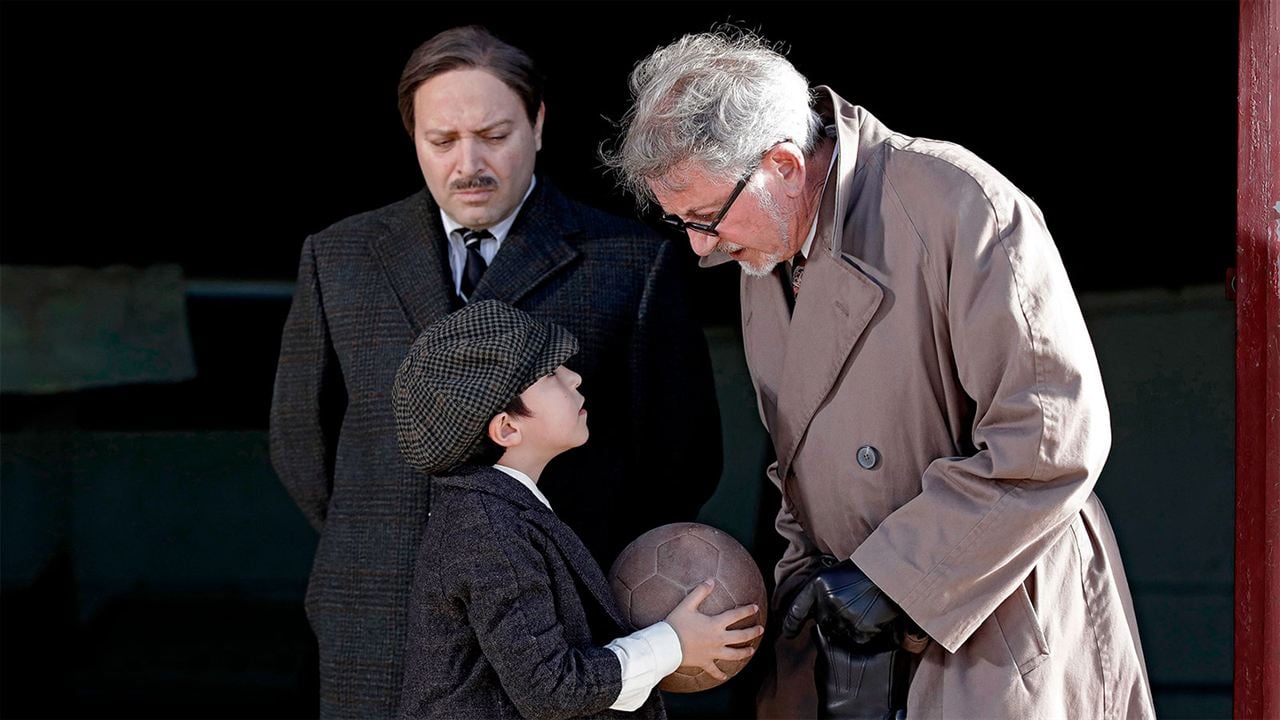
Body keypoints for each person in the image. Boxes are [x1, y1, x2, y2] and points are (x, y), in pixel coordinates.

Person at [604, 29, 1155, 719]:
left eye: (705, 218)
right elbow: (798, 461)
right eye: (679, 220)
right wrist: (806, 588)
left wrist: (890, 580)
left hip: (993, 612)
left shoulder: (958, 202)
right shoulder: (762, 243)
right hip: (853, 628)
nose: (698, 246)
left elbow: (1050, 437)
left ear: (782, 164)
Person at [269, 26, 721, 718]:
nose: (468, 164)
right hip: (374, 614)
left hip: (563, 636)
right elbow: (303, 445)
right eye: (442, 140)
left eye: (494, 134)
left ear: (539, 124)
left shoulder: (627, 262)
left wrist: (575, 570)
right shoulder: (341, 256)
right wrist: (389, 533)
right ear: (411, 133)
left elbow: (679, 460)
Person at [391, 299, 760, 719]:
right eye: (550, 374)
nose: (574, 376)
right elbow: (550, 688)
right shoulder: (489, 531)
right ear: (508, 428)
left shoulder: (496, 510)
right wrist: (674, 642)